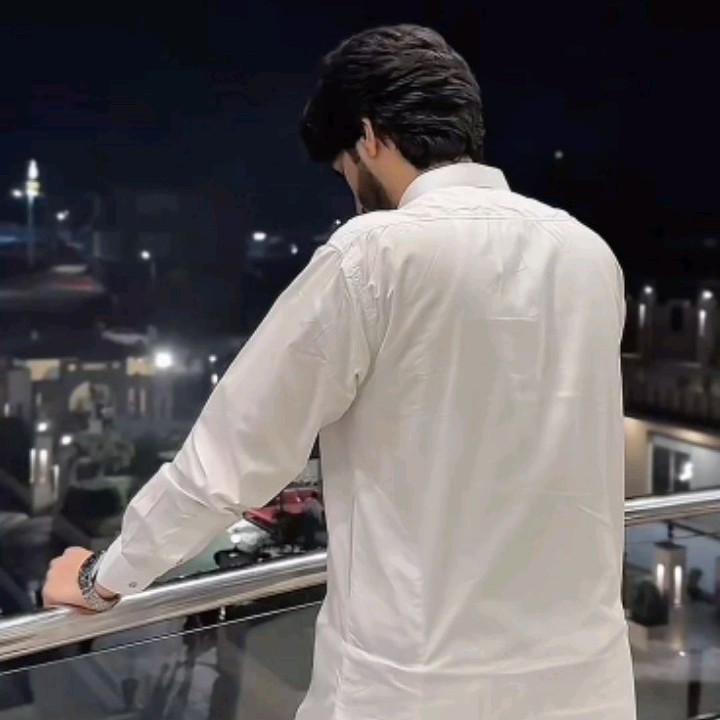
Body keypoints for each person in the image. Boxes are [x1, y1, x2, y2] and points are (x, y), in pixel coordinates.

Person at [43, 24, 635, 720]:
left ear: (369, 138)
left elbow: (227, 461)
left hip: (417, 691)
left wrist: (101, 576)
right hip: (588, 685)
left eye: (344, 170)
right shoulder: (588, 253)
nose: (352, 191)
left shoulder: (375, 253)